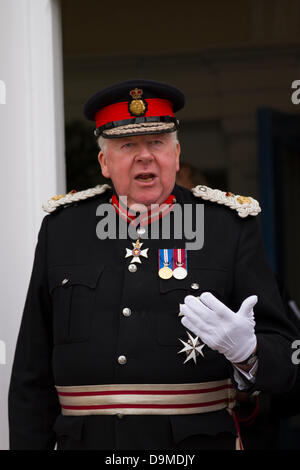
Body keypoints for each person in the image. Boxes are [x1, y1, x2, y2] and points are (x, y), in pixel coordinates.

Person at [9, 79, 297, 450]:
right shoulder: (63, 230)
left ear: (176, 156)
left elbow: (289, 361)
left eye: (157, 142)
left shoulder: (228, 228)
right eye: (128, 145)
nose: (145, 156)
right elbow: (31, 377)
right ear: (104, 162)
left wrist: (250, 354)